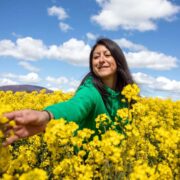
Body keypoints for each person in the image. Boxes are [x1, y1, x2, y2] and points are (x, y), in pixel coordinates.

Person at [3, 38, 134, 146]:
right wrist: (47, 116)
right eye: (96, 57)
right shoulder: (90, 91)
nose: (101, 60)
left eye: (107, 55)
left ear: (118, 60)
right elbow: (75, 106)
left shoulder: (128, 95)